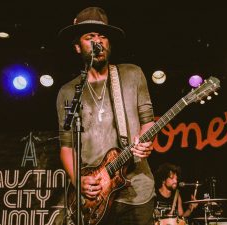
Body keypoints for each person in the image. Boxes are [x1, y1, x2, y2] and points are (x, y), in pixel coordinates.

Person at [56, 7, 156, 225]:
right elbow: (66, 147)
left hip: (136, 190)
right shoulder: (68, 92)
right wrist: (78, 180)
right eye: (89, 37)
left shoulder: (132, 74)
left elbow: (148, 123)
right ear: (77, 46)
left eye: (102, 36)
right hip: (94, 195)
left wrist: (145, 142)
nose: (97, 41)